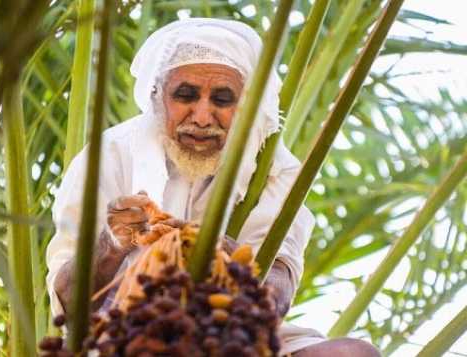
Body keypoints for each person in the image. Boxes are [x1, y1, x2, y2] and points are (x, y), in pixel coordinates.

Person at [46, 18, 380, 357]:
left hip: (237, 337)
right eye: (186, 95)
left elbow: (277, 297)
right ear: (157, 96)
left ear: (245, 104)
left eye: (222, 99)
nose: (203, 117)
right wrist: (111, 244)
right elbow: (69, 300)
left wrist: (226, 255)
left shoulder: (275, 170)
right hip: (124, 332)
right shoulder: (109, 156)